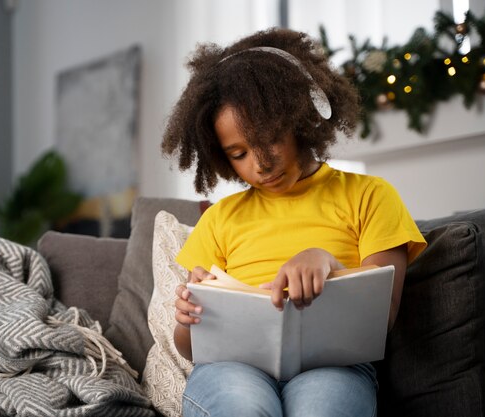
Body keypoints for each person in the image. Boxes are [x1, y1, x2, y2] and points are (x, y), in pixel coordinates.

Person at [161, 27, 427, 417]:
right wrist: (188, 319)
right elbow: (189, 346)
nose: (260, 163)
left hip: (332, 366)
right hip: (232, 367)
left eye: (268, 138)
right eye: (238, 153)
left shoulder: (370, 196)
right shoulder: (219, 218)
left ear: (300, 118)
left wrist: (328, 264)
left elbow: (382, 319)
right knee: (240, 407)